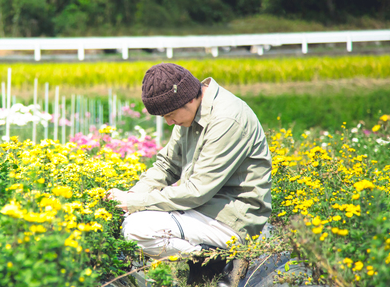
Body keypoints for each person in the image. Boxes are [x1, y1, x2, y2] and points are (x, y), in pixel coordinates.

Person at [106, 63, 272, 258]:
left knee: (137, 230)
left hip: (232, 219)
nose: (168, 122)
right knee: (131, 217)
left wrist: (136, 202)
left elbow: (197, 191)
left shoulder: (226, 120)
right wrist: (132, 196)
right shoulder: (190, 113)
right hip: (204, 209)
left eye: (170, 115)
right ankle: (204, 257)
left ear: (188, 99)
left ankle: (216, 260)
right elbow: (166, 165)